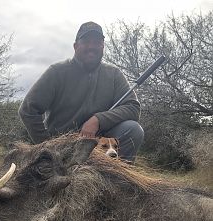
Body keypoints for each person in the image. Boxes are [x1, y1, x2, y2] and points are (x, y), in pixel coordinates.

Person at [19, 21, 144, 162]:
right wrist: (47, 146)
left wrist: (98, 120)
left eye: (97, 42)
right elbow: (28, 110)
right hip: (63, 146)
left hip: (99, 143)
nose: (91, 46)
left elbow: (133, 107)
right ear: (75, 46)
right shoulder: (57, 72)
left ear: (102, 46)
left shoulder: (114, 74)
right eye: (86, 42)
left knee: (133, 129)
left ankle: (118, 180)